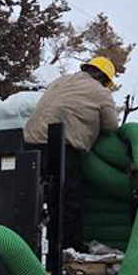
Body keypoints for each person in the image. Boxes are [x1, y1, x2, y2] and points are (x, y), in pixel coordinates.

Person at [24, 56, 120, 250]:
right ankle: (69, 248)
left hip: (29, 144)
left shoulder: (61, 80)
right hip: (62, 147)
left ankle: (28, 243)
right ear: (104, 78)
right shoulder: (101, 92)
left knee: (31, 197)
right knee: (67, 200)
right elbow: (111, 125)